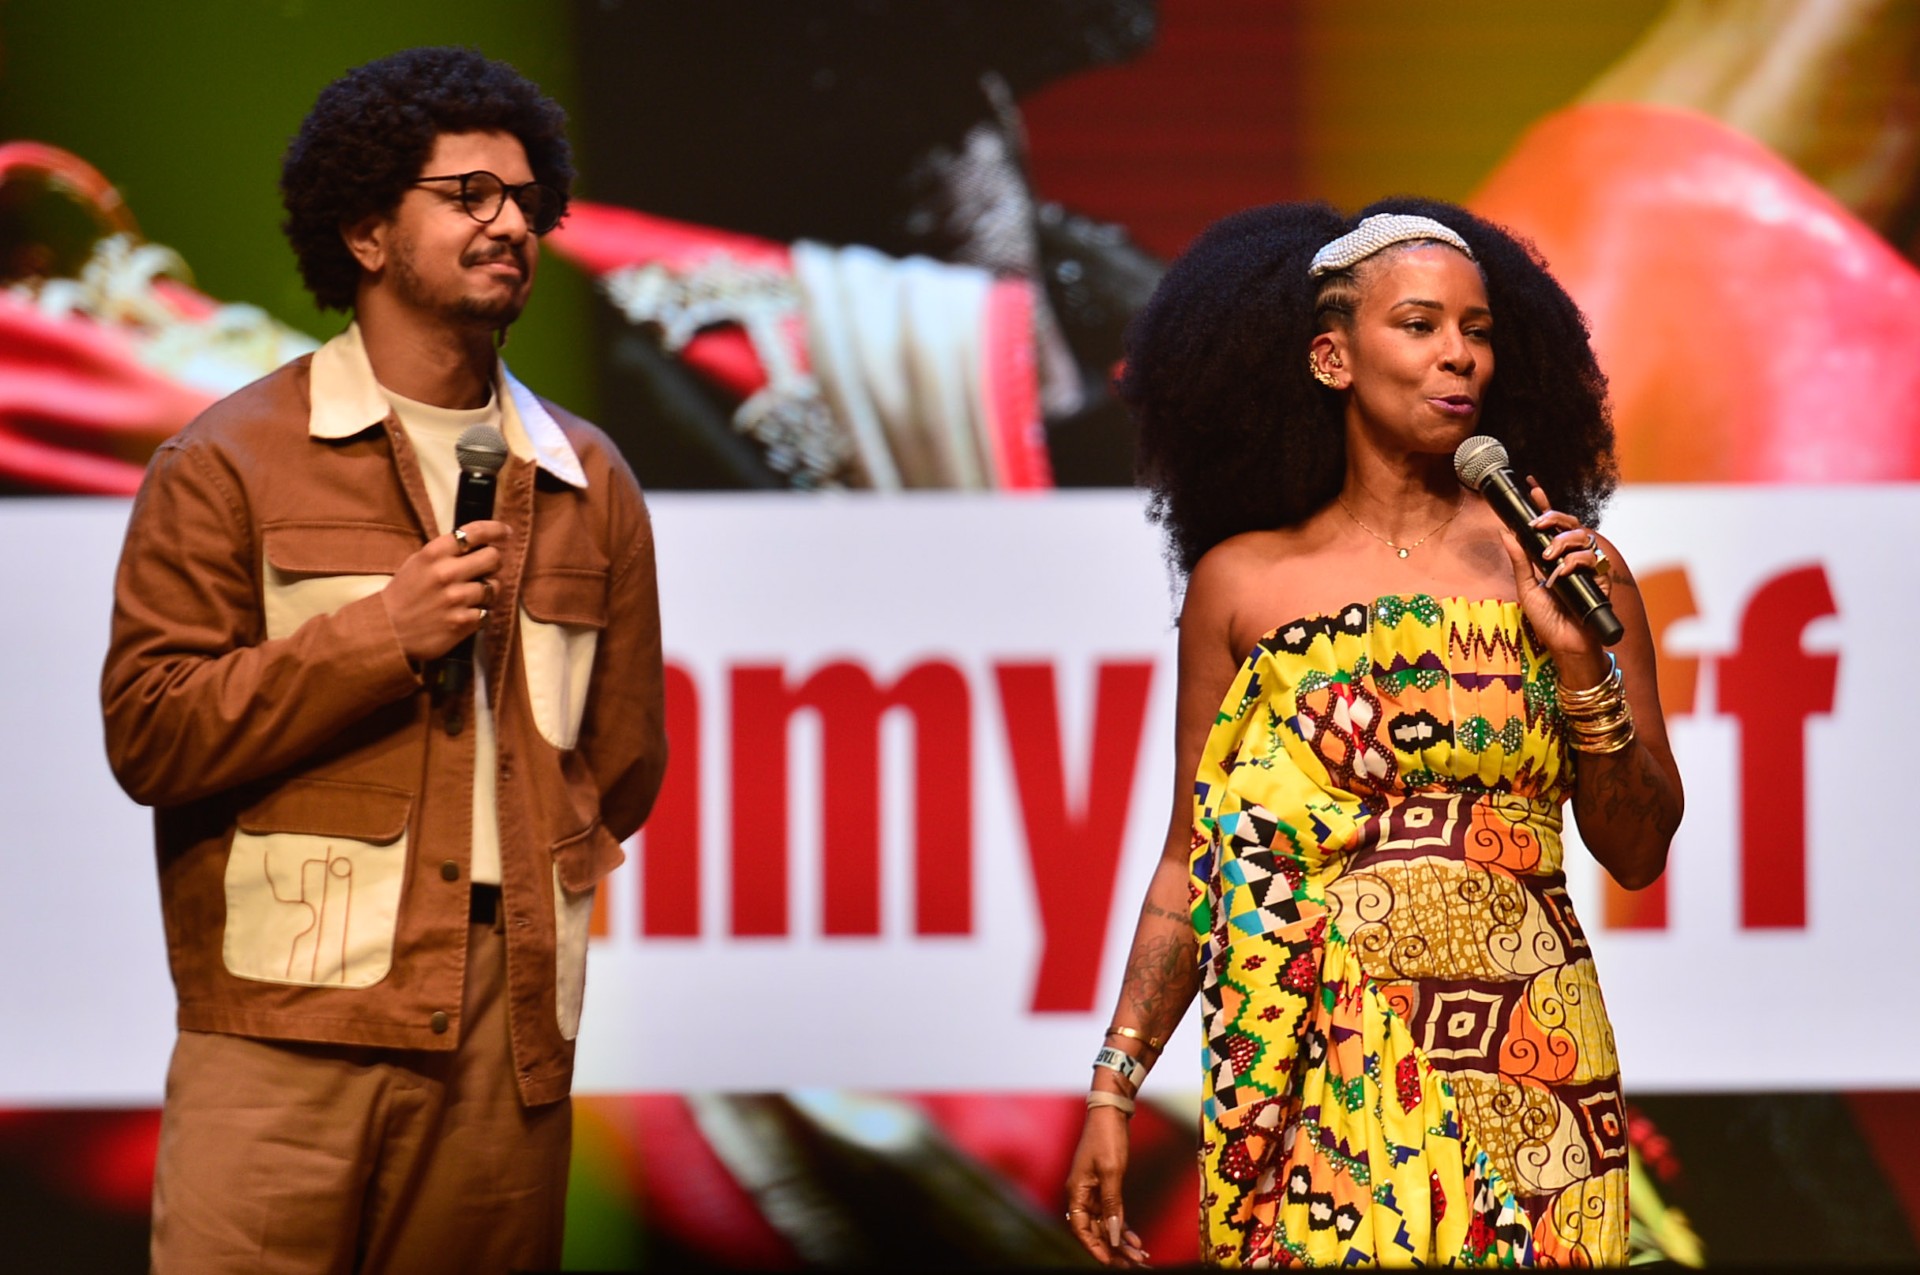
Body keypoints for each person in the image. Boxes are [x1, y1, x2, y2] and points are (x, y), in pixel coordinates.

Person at [99, 48, 667, 1273]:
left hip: (505, 1033)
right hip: (286, 1030)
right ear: (365, 234)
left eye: (524, 199)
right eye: (467, 195)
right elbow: (150, 731)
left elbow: (619, 762)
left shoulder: (587, 478)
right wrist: (374, 640)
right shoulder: (233, 460)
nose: (508, 222)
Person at [1063, 198, 1683, 1266]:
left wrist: (1580, 664)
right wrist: (1116, 1087)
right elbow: (1190, 860)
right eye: (1421, 325)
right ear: (1332, 357)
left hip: (1529, 1076)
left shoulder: (1568, 572)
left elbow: (1636, 846)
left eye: (1479, 331)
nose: (1459, 357)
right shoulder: (1242, 587)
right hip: (1318, 1064)